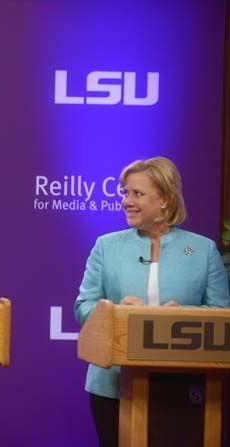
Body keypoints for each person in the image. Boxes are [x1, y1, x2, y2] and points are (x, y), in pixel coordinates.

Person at [74, 156, 230, 447]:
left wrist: (183, 315)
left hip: (183, 384)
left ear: (165, 201)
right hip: (113, 385)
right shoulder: (106, 247)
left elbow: (222, 316)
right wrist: (115, 313)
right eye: (125, 193)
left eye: (138, 194)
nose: (126, 201)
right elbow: (83, 307)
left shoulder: (202, 250)